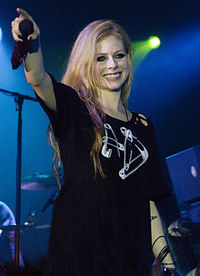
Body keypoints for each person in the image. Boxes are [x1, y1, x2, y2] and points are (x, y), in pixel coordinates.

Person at [11, 9, 198, 276]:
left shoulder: (143, 127)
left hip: (131, 261)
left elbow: (150, 198)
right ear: (88, 63)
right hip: (80, 259)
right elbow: (38, 79)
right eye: (101, 58)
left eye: (118, 56)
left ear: (128, 60)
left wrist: (169, 258)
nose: (112, 65)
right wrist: (32, 43)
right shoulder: (75, 109)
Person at [0, 201, 24, 268]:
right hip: (5, 229)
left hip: (7, 229)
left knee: (13, 250)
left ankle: (19, 268)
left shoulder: (1, 206)